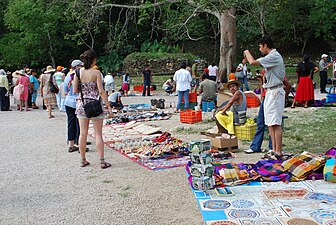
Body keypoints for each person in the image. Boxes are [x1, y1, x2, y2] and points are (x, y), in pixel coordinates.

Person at [244, 36, 285, 158]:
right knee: (270, 123)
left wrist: (247, 52)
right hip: (270, 91)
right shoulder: (271, 57)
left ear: (265, 45)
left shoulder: (274, 56)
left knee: (275, 123)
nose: (260, 49)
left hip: (276, 91)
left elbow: (252, 62)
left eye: (260, 47)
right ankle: (273, 150)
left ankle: (278, 151)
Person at [73, 49, 113, 169]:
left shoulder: (78, 72)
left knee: (82, 133)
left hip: (82, 105)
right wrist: (108, 106)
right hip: (95, 105)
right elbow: (101, 91)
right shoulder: (96, 73)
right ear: (94, 60)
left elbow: (75, 90)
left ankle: (83, 159)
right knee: (98, 134)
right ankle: (101, 160)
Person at [244, 70, 291, 154]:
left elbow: (287, 85)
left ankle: (273, 147)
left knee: (274, 123)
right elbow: (262, 84)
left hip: (274, 97)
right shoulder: (264, 70)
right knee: (261, 122)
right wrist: (262, 95)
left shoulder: (276, 71)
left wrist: (284, 97)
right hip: (266, 98)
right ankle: (255, 146)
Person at [64, 59, 86, 153]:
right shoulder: (78, 75)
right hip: (77, 102)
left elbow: (65, 89)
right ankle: (80, 144)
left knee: (70, 123)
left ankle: (71, 144)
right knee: (80, 124)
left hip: (68, 101)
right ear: (77, 66)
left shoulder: (68, 76)